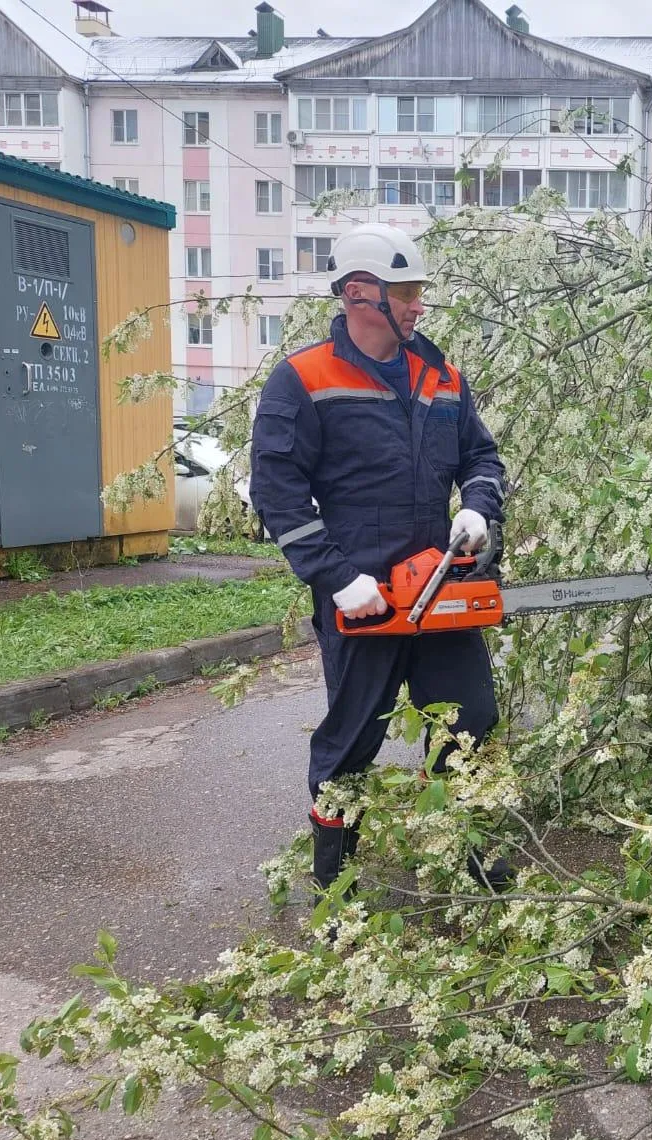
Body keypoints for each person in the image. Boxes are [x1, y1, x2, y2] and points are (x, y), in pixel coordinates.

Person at [249, 222, 509, 891]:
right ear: (361, 294)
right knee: (352, 741)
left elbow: (481, 456)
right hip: (362, 593)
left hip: (438, 583)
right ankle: (337, 880)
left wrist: (478, 506)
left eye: (418, 290)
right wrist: (336, 579)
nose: (418, 304)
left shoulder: (441, 374)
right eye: (407, 291)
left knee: (470, 718)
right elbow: (278, 491)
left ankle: (474, 851)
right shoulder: (303, 379)